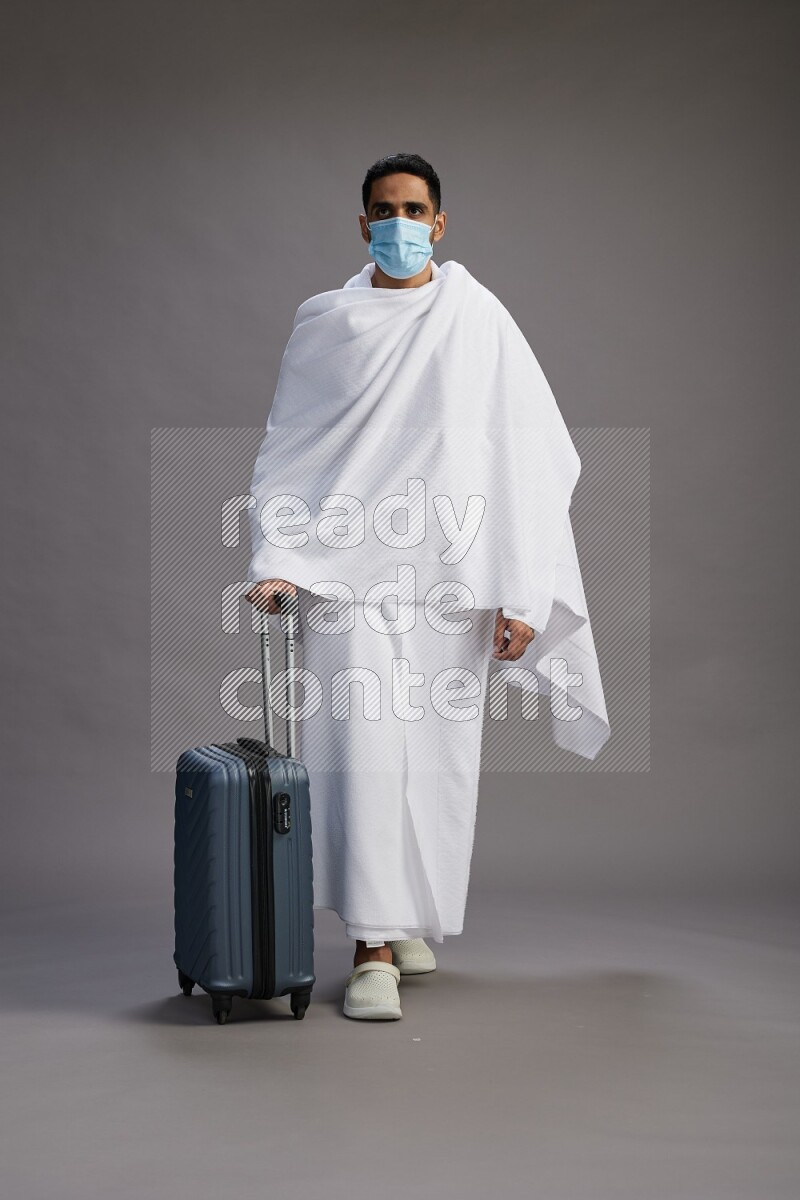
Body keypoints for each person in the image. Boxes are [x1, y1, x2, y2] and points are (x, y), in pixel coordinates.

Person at [244, 152, 610, 1021]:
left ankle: (404, 915)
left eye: (414, 210)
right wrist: (276, 557)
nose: (399, 224)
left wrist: (522, 592)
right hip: (346, 577)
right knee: (362, 755)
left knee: (438, 763)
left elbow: (528, 456)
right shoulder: (327, 325)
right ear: (362, 223)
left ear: (440, 224)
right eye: (384, 210)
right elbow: (291, 445)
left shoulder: (478, 319)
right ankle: (371, 946)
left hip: (452, 576)